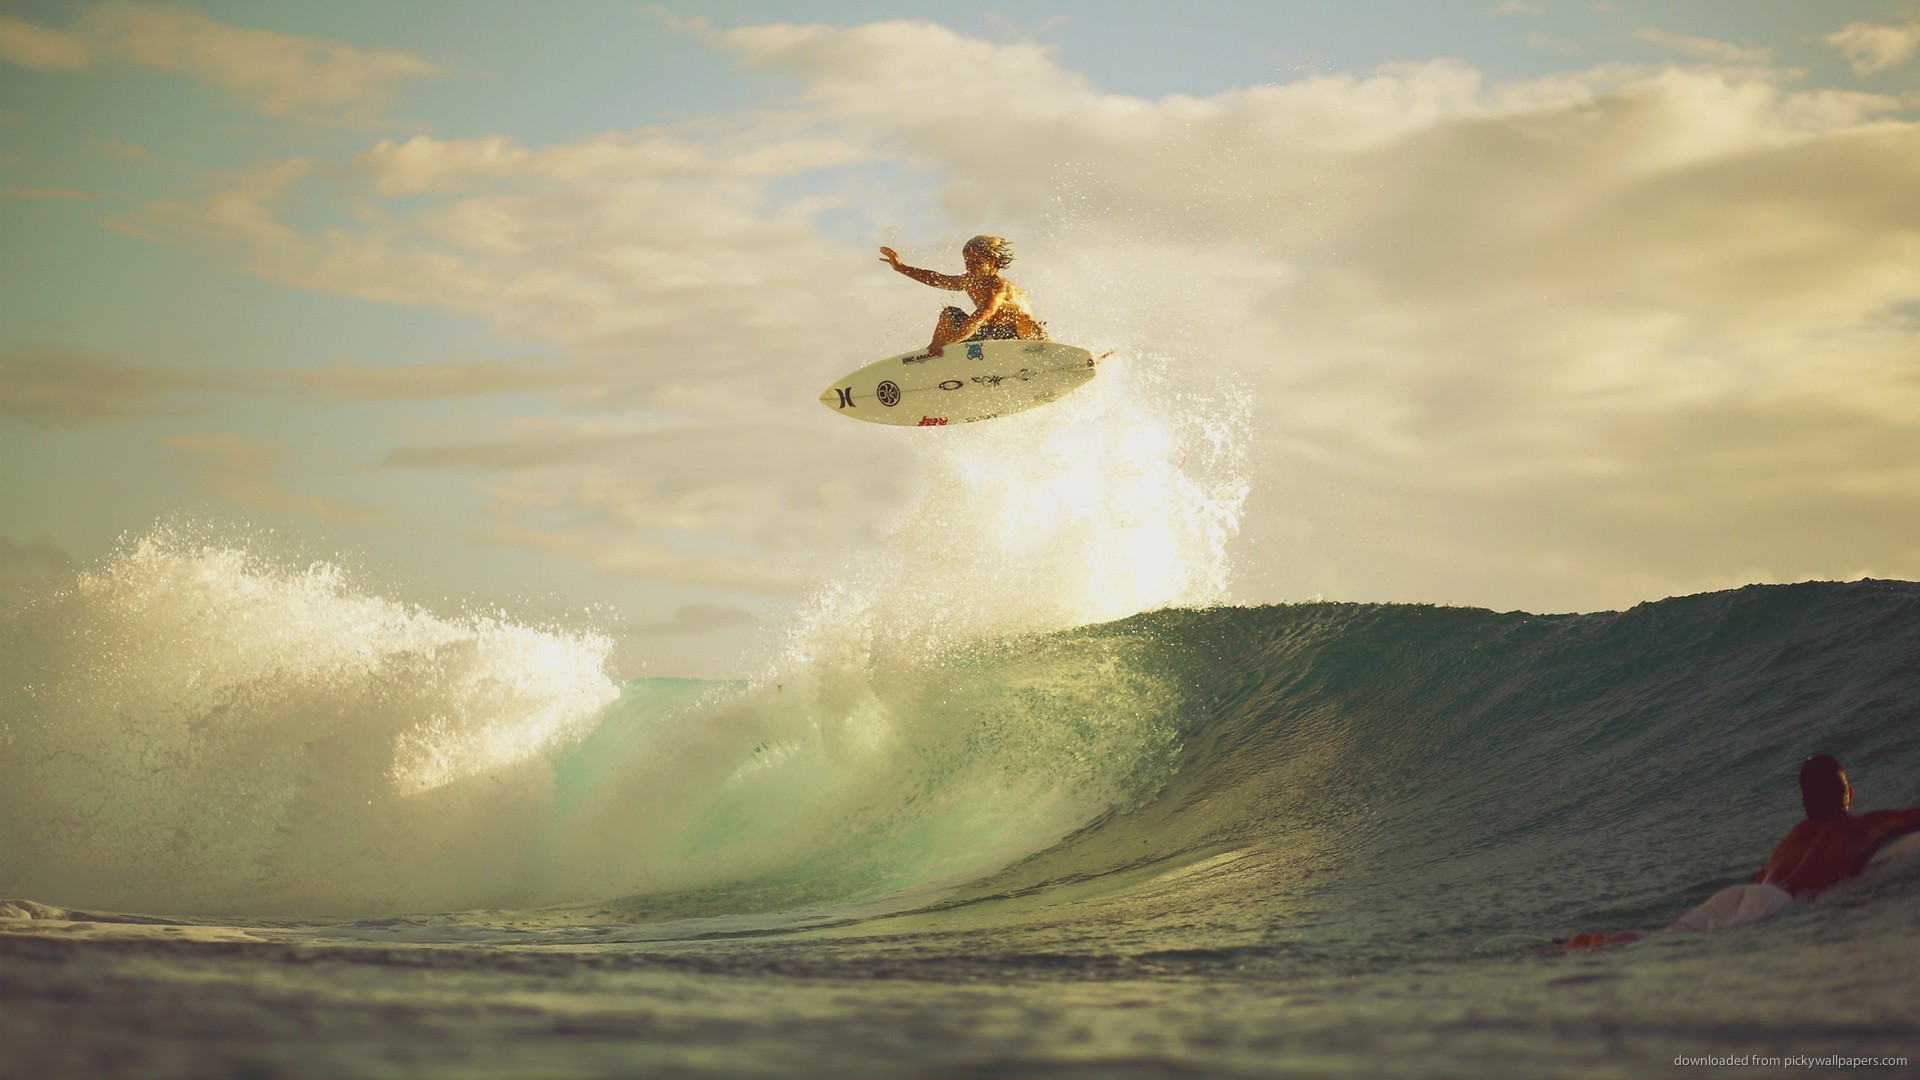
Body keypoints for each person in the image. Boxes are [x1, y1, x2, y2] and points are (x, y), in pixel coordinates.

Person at [1561, 755, 1920, 949]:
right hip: (1774, 900)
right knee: (1697, 945)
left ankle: (1603, 942)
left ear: (1804, 802)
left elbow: (1763, 877)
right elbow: (1910, 818)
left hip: (1741, 892)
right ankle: (1603, 948)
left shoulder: (1794, 835)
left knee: (1671, 936)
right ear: (1849, 795)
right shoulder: (1856, 827)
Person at [878, 235, 1049, 357]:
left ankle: (1047, 351)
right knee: (949, 314)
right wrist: (901, 267)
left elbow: (983, 315)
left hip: (1017, 337)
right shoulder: (969, 281)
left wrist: (955, 338)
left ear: (991, 263)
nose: (970, 267)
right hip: (990, 336)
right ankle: (936, 353)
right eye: (967, 262)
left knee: (1023, 318)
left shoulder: (998, 286)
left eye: (977, 263)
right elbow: (936, 279)